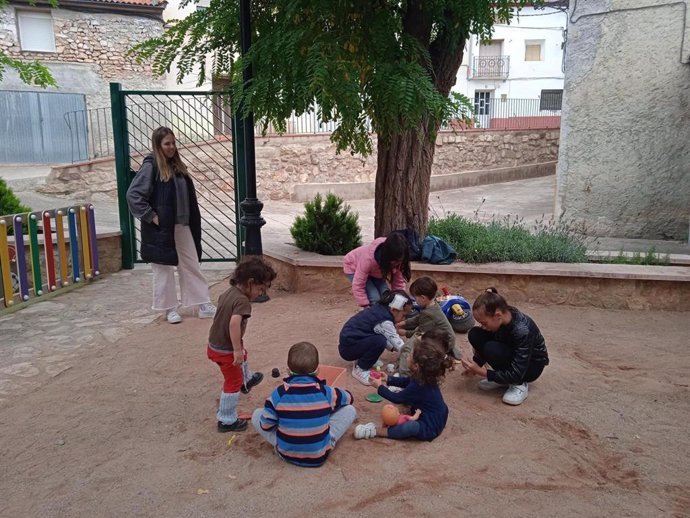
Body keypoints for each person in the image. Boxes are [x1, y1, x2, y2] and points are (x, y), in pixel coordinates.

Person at [126, 126, 216, 324]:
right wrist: (151, 216)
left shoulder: (178, 167)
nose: (172, 147)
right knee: (163, 269)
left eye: (173, 143)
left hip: (182, 225)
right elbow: (133, 195)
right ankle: (169, 309)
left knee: (191, 263)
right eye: (167, 144)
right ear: (158, 145)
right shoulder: (151, 166)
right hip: (161, 228)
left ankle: (202, 303)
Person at [252, 341, 356, 468]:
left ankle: (289, 442)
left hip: (286, 453)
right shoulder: (326, 391)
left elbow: (266, 426)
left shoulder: (278, 394)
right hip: (319, 455)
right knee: (350, 410)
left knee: (257, 414)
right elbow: (349, 398)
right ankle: (323, 438)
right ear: (318, 371)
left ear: (288, 371)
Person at [207, 256, 277, 432]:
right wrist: (236, 349)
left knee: (243, 354)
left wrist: (239, 349)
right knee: (232, 382)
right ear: (250, 282)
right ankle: (226, 420)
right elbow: (233, 323)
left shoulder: (228, 292)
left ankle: (246, 380)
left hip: (215, 344)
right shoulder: (243, 302)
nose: (261, 294)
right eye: (260, 289)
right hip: (225, 350)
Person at [354, 329, 452, 441]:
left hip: (430, 426)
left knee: (411, 427)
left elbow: (396, 398)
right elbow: (407, 381)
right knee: (413, 410)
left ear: (417, 366)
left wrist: (379, 386)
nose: (407, 357)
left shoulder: (418, 386)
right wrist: (388, 379)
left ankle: (376, 431)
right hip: (436, 414)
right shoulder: (425, 377)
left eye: (410, 355)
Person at [460, 287, 549, 406]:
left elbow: (518, 370)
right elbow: (489, 340)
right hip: (512, 354)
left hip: (530, 367)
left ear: (497, 315)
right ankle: (502, 378)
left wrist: (483, 372)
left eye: (484, 323)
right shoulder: (502, 319)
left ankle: (519, 384)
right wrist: (476, 364)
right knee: (475, 334)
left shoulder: (522, 330)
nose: (483, 326)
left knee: (491, 348)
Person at [338, 290, 413, 386]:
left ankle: (365, 358)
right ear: (394, 310)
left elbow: (383, 334)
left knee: (379, 340)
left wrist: (392, 347)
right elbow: (397, 342)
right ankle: (361, 368)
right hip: (349, 349)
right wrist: (411, 353)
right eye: (404, 315)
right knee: (379, 342)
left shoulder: (380, 310)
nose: (404, 319)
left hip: (351, 341)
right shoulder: (384, 321)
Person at [396, 276, 462, 375]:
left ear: (422, 298)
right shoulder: (432, 305)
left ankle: (404, 375)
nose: (414, 300)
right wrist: (404, 323)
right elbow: (419, 318)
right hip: (444, 336)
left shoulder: (429, 313)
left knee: (407, 349)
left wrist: (405, 333)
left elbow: (420, 333)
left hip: (445, 342)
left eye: (415, 297)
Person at [343, 232, 411, 307]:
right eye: (395, 261)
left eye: (399, 261)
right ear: (387, 256)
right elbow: (358, 284)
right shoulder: (368, 259)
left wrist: (399, 300)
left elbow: (398, 283)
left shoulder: (398, 258)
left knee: (385, 295)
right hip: (353, 267)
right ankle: (375, 314)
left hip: (375, 272)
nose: (397, 264)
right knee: (374, 298)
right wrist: (364, 304)